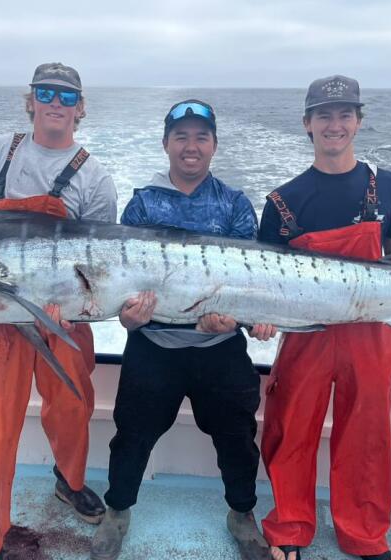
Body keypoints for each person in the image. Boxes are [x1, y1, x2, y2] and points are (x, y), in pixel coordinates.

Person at [257, 75, 391, 560]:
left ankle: (364, 535)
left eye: (343, 114)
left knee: (367, 438)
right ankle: (289, 528)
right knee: (290, 428)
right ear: (307, 125)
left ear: (359, 120)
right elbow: (264, 282)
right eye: (323, 115)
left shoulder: (385, 185)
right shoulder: (280, 201)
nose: (334, 125)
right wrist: (261, 318)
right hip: (306, 337)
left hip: (371, 334)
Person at [90, 99, 277, 560]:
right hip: (153, 344)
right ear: (166, 144)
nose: (191, 147)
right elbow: (121, 281)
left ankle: (241, 513)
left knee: (237, 438)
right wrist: (127, 317)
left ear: (214, 145)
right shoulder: (142, 204)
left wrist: (242, 321)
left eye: (201, 137)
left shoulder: (234, 204)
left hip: (219, 347)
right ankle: (117, 512)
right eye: (181, 137)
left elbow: (247, 280)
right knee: (131, 436)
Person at [0, 62, 117, 560]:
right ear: (30, 100)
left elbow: (104, 261)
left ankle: (69, 482)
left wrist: (80, 306)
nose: (55, 103)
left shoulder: (94, 177)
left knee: (72, 408)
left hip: (63, 315)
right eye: (46, 92)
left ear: (81, 109)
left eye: (67, 97)